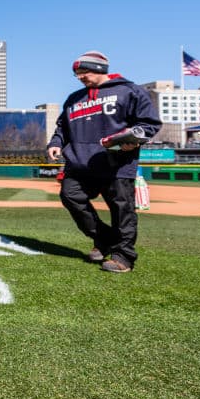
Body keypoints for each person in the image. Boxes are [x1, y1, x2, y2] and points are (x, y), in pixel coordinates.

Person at [47, 51, 162, 273]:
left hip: (117, 163)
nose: (80, 77)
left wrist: (133, 140)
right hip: (80, 163)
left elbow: (149, 124)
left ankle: (123, 256)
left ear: (99, 69)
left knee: (122, 211)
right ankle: (105, 238)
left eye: (84, 72)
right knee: (70, 196)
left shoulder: (129, 91)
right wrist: (55, 142)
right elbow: (62, 127)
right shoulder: (74, 99)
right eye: (77, 74)